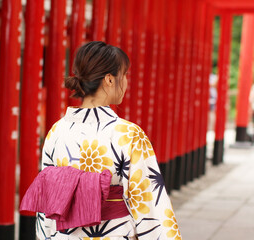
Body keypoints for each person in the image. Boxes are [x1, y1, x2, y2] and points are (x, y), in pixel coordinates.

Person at [36, 41, 181, 240]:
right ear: (109, 80)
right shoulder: (129, 134)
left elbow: (47, 200)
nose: (127, 82)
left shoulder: (57, 131)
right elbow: (147, 200)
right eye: (126, 75)